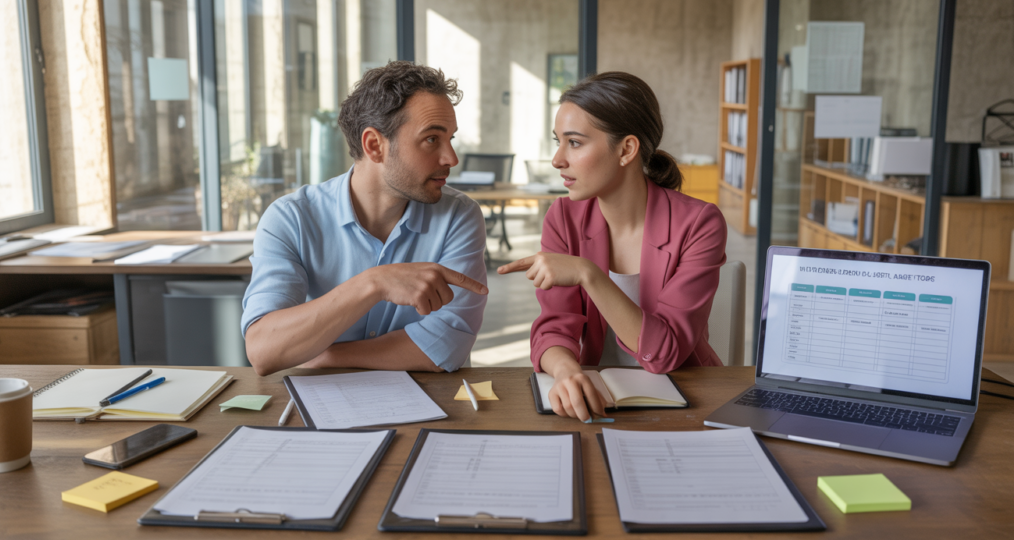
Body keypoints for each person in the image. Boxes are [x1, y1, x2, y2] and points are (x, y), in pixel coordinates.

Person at [498, 72, 726, 421]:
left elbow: (665, 353)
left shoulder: (699, 224)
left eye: (574, 143)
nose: (558, 159)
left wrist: (588, 274)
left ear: (626, 149)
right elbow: (554, 328)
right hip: (594, 403)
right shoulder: (562, 217)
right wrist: (565, 371)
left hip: (684, 400)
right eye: (558, 141)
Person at [242, 61, 489, 376]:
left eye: (451, 139)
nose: (451, 158)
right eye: (431, 139)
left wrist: (321, 355)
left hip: (431, 409)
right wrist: (374, 283)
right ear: (374, 145)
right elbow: (265, 351)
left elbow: (447, 346)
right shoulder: (291, 219)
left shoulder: (458, 215)